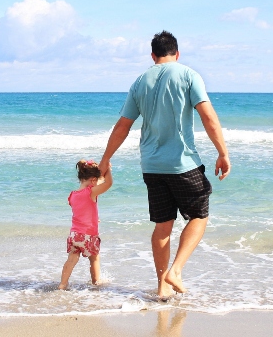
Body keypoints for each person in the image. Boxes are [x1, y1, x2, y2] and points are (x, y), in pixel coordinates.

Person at [98, 30, 230, 298]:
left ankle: (162, 288)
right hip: (182, 163)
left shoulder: (139, 82)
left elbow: (123, 126)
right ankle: (176, 271)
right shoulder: (188, 75)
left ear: (153, 55)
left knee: (162, 226)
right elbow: (207, 116)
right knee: (199, 215)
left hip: (152, 166)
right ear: (177, 53)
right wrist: (223, 152)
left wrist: (106, 158)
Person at [58, 159, 113, 290]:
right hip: (89, 235)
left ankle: (62, 284)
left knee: (71, 259)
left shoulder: (72, 195)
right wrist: (108, 169)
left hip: (74, 235)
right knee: (94, 259)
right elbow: (108, 183)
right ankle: (96, 282)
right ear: (93, 180)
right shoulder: (91, 192)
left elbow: (82, 210)